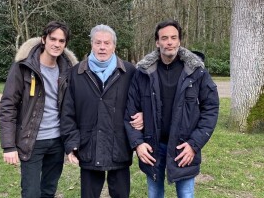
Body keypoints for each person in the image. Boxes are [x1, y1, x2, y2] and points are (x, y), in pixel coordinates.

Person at [124, 19, 219, 198]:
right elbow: (130, 109)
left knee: (186, 195)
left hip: (184, 147)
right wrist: (138, 144)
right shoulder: (143, 73)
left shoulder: (196, 72)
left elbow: (211, 108)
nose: (169, 42)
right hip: (152, 147)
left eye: (173, 38)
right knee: (155, 194)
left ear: (179, 41)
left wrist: (194, 144)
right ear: (157, 42)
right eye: (164, 38)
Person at [61, 24, 142, 198]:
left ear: (114, 46)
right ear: (92, 44)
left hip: (119, 147)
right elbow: (68, 112)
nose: (102, 47)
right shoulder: (76, 73)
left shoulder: (129, 72)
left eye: (107, 43)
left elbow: (142, 102)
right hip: (88, 146)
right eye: (98, 42)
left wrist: (142, 115)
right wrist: (71, 143)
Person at [0, 21, 78, 198]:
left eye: (61, 41)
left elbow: (75, 108)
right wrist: (9, 146)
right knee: (31, 193)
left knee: (48, 191)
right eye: (53, 39)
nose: (56, 44)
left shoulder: (68, 71)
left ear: (65, 44)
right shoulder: (23, 68)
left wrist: (72, 142)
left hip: (57, 142)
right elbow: (7, 106)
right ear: (44, 39)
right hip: (31, 142)